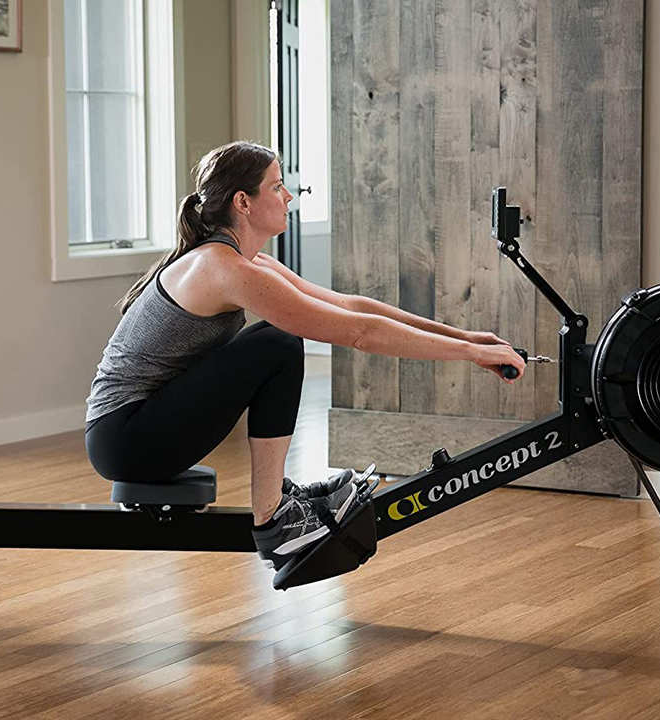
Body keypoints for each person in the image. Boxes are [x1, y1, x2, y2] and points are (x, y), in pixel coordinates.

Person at [84, 141, 526, 572]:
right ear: (243, 201)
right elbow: (361, 334)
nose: (288, 196)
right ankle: (273, 519)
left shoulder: (246, 261)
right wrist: (469, 353)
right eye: (276, 187)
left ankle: (277, 500)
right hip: (126, 438)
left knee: (277, 340)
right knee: (278, 342)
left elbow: (351, 307)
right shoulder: (223, 268)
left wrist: (464, 334)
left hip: (137, 431)